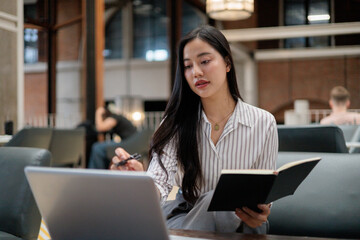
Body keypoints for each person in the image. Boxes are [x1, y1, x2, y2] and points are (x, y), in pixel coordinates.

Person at [110, 25, 278, 234]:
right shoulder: (176, 123)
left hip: (242, 223)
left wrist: (262, 211)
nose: (196, 72)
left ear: (227, 63)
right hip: (189, 218)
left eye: (205, 61)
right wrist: (139, 183)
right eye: (188, 66)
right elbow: (159, 182)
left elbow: (264, 192)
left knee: (221, 204)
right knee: (209, 202)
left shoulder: (264, 123)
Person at [87, 104, 137, 169]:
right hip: (131, 142)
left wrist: (98, 113)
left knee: (97, 147)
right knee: (103, 148)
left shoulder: (114, 117)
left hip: (128, 143)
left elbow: (100, 127)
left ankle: (95, 174)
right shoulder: (119, 117)